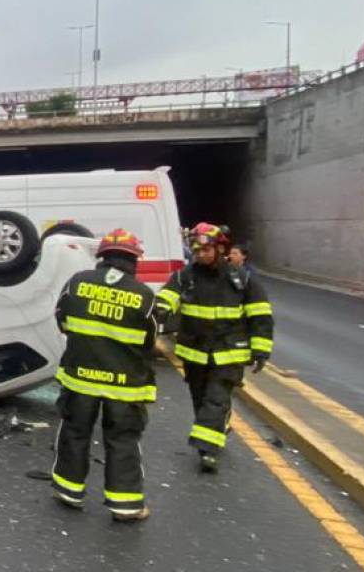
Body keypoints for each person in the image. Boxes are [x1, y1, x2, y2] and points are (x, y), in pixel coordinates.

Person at [51, 229, 158, 522]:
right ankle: (126, 505)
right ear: (133, 260)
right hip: (124, 386)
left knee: (74, 432)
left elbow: (61, 318)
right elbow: (149, 341)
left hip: (80, 378)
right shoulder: (144, 295)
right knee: (123, 440)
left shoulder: (78, 282)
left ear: (102, 257)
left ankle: (68, 491)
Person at [157, 222, 273, 473]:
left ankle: (208, 450)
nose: (200, 255)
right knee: (201, 399)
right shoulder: (184, 276)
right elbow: (167, 296)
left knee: (216, 399)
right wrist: (160, 309)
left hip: (229, 353)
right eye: (197, 250)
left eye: (206, 250)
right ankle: (218, 426)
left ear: (220, 248)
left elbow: (261, 316)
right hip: (194, 352)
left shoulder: (242, 279)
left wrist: (261, 350)